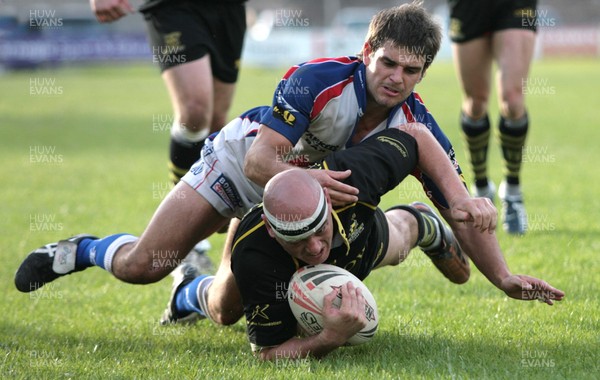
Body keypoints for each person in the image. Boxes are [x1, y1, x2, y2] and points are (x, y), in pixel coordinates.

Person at [14, 2, 535, 328]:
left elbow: (462, 210)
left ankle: (189, 300)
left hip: (303, 200)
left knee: (227, 311)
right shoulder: (318, 78)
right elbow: (264, 158)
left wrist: (505, 278)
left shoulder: (416, 125)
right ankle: (80, 250)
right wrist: (307, 179)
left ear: (423, 74)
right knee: (143, 267)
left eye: (411, 70)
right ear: (367, 51)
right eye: (388, 63)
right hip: (241, 165)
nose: (397, 77)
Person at [165, 129, 563, 360]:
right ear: (275, 233)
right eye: (298, 241)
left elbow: (416, 136)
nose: (316, 248)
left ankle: (420, 221)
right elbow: (268, 355)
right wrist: (327, 339)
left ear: (329, 201)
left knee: (400, 238)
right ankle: (191, 283)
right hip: (271, 268)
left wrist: (459, 202)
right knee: (222, 311)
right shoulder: (259, 254)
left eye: (318, 231)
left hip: (357, 236)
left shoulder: (349, 179)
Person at [89, 0, 247, 183]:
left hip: (229, 9)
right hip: (171, 7)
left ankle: (213, 206)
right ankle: (181, 199)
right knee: (194, 111)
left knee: (216, 121)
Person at [447, 0, 538, 234]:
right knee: (475, 104)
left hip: (515, 5)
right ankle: (481, 187)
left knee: (513, 100)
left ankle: (513, 191)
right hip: (470, 8)